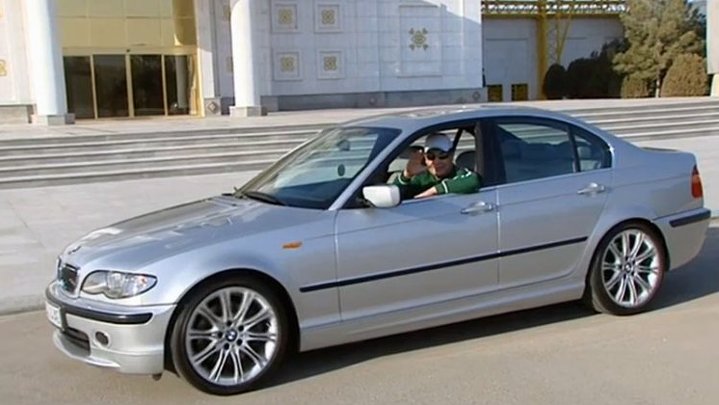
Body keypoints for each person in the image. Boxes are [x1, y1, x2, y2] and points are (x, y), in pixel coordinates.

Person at [393, 133, 481, 199]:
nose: (436, 161)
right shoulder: (420, 178)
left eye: (442, 155)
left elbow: (474, 181)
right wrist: (406, 175)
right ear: (425, 158)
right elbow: (393, 195)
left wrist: (434, 191)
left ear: (451, 155)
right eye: (431, 156)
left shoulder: (460, 174)